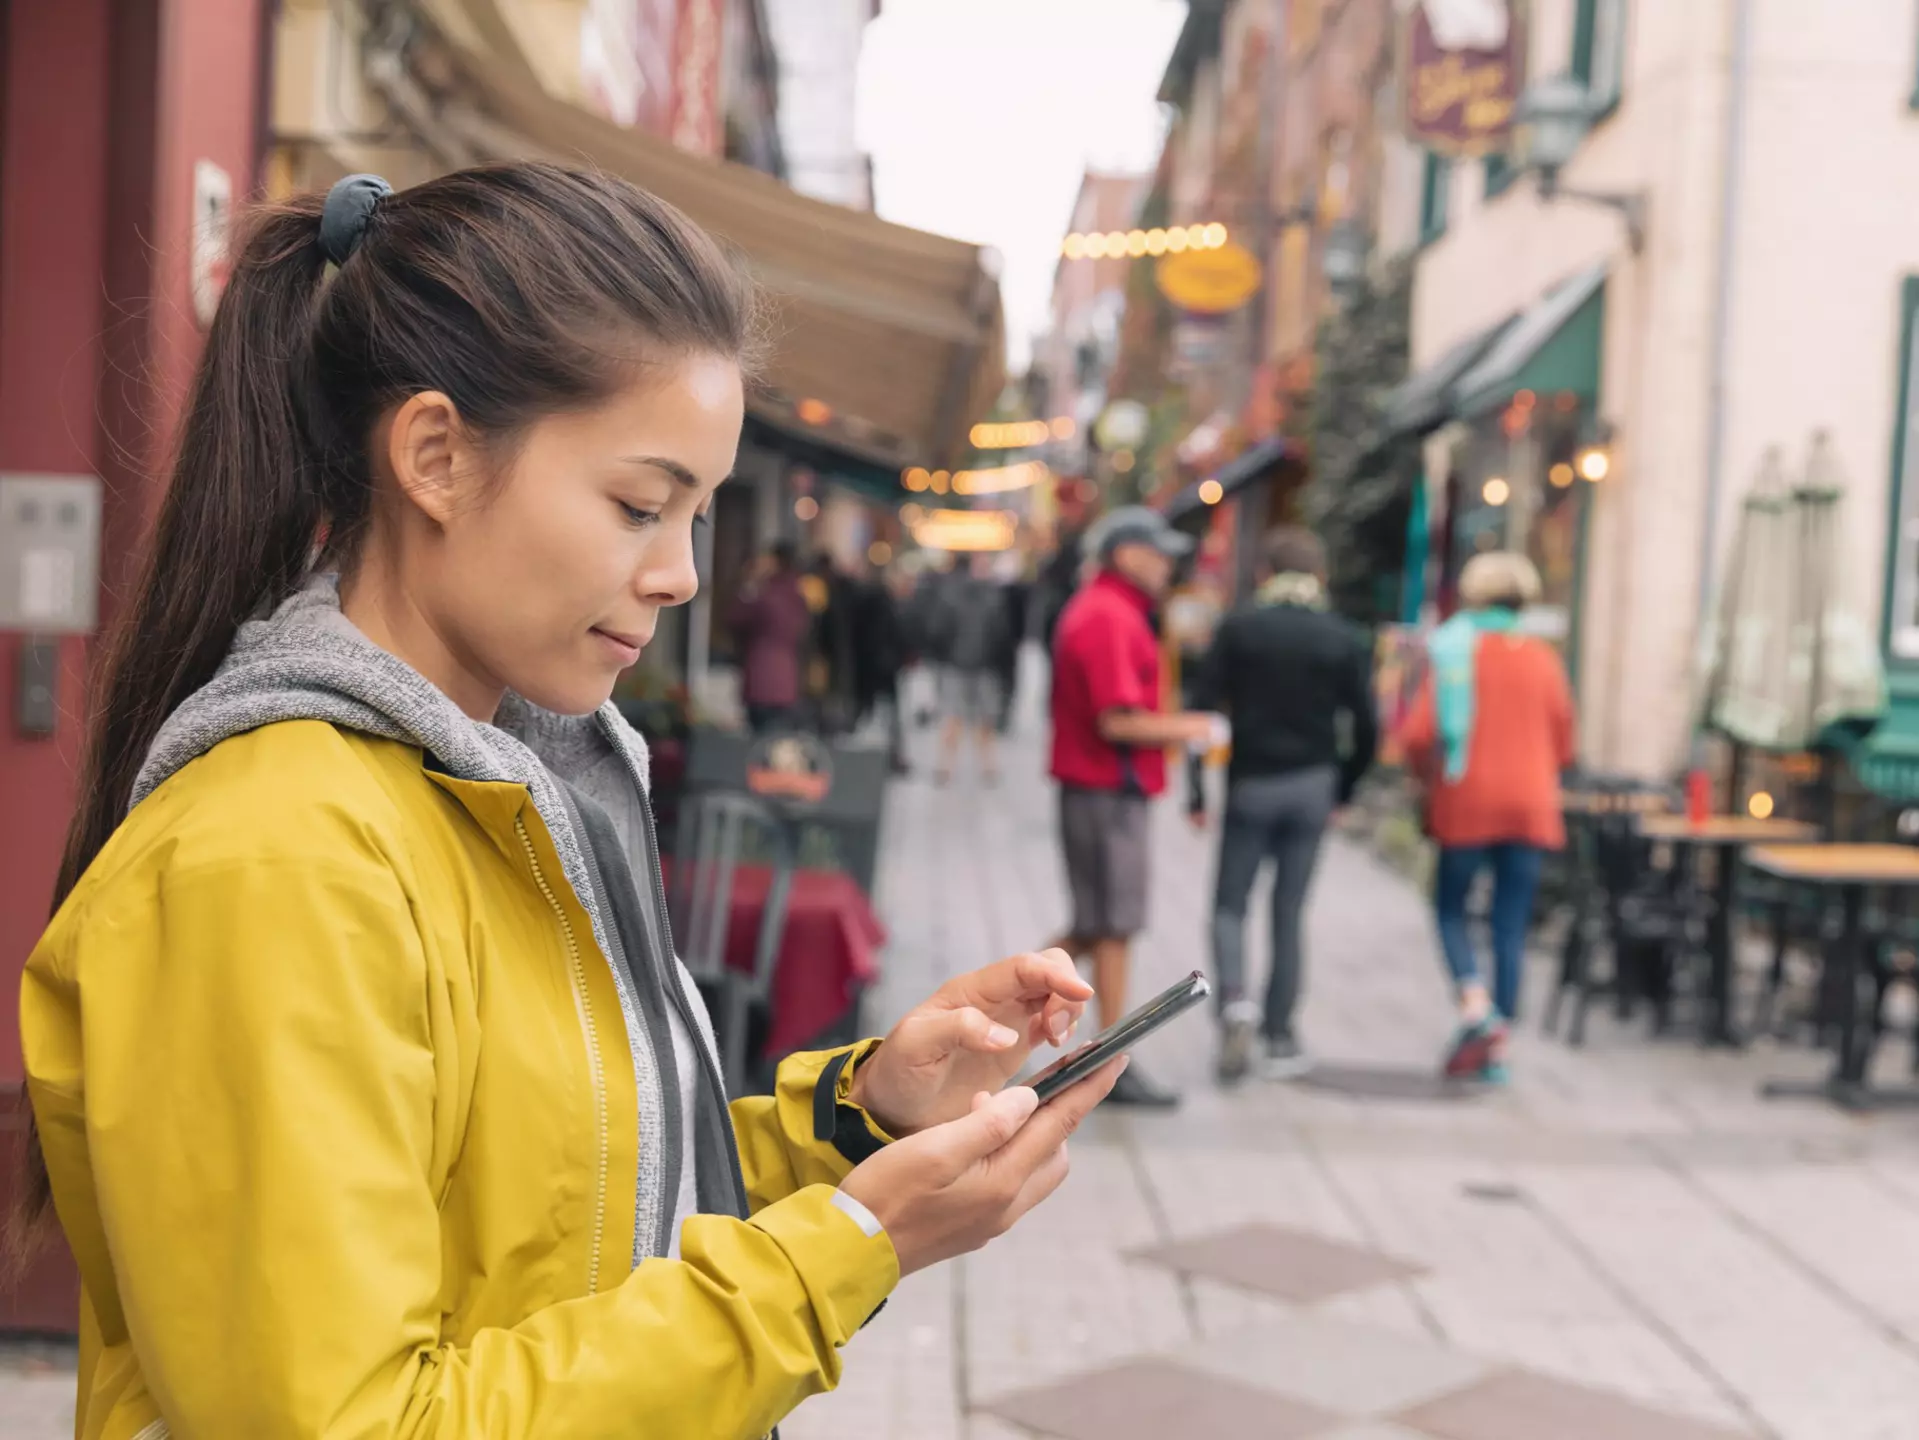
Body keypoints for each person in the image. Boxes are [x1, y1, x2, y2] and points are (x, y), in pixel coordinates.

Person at [13, 164, 1125, 1440]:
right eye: (638, 506)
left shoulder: (520, 785)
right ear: (433, 454)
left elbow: (576, 1217)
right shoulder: (276, 857)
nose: (680, 576)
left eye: (696, 515)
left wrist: (856, 1118)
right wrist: (846, 1249)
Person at [1047, 506, 1222, 1107]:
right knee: (1113, 925)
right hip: (1105, 788)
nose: (1168, 563)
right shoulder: (1109, 616)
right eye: (1158, 551)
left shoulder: (1107, 609)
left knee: (1097, 923)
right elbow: (1117, 720)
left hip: (1100, 788)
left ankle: (1021, 1007)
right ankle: (1109, 1059)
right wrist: (1191, 727)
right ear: (1127, 553)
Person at [1190, 528, 1378, 1083]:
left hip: (1251, 783)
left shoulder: (1240, 628)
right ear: (1320, 576)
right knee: (1289, 910)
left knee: (1230, 904)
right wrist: (1345, 788)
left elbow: (1201, 712)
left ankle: (1233, 1003)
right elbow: (1367, 725)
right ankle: (1279, 1033)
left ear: (1263, 573)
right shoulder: (1340, 636)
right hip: (1312, 785)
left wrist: (1197, 791)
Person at [1399, 551, 1576, 1083]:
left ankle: (1475, 1008)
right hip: (1530, 805)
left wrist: (1424, 778)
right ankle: (1498, 1046)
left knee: (1451, 909)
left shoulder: (1454, 651)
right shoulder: (1543, 658)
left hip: (1468, 800)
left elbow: (1417, 735)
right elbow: (1566, 742)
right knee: (1510, 922)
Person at [934, 553, 1012, 785]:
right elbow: (1002, 635)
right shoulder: (993, 597)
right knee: (983, 720)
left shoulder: (950, 595)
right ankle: (988, 767)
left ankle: (946, 767)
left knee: (953, 716)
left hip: (956, 664)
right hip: (983, 665)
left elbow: (939, 629)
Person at [729, 538, 811, 732]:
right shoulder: (798, 595)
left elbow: (734, 617)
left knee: (759, 742)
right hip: (787, 679)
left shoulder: (765, 595)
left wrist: (749, 584)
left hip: (761, 676)